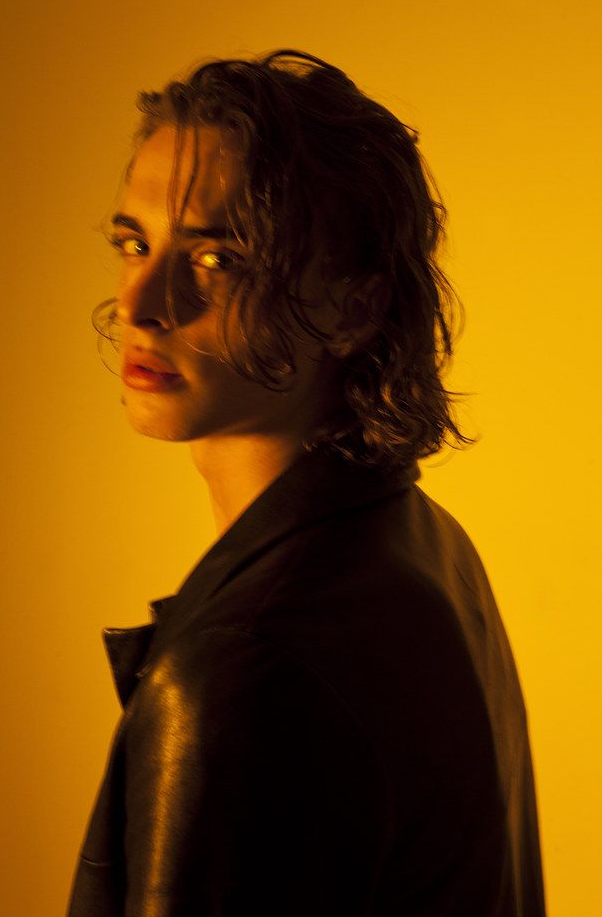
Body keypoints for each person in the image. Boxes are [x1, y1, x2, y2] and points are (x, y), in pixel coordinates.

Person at [67, 50, 546, 916]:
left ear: (355, 308)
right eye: (134, 242)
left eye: (217, 258)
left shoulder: (240, 672)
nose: (142, 301)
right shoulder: (422, 542)